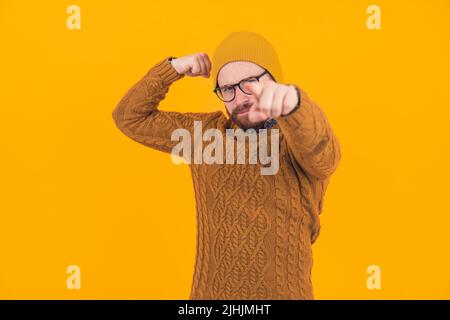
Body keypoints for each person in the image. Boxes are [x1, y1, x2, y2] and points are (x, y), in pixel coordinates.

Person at [112, 31, 341, 299]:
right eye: (228, 88)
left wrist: (295, 105)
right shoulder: (204, 136)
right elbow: (129, 117)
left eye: (251, 82)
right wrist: (172, 69)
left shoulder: (297, 140)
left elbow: (325, 156)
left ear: (276, 82)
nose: (241, 97)